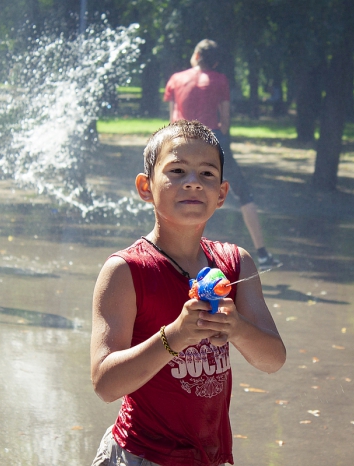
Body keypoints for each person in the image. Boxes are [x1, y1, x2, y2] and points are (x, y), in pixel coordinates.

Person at [90, 120, 286, 466]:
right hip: (141, 455)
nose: (193, 181)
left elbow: (273, 359)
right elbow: (105, 384)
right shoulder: (126, 271)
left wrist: (237, 327)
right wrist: (175, 336)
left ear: (221, 194)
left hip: (209, 458)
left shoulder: (236, 263)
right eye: (177, 170)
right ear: (146, 187)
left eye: (207, 174)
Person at [164, 39, 279, 268]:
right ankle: (263, 254)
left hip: (181, 141)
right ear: (215, 62)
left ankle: (171, 252)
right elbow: (225, 119)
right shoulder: (220, 80)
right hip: (213, 140)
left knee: (175, 192)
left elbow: (172, 119)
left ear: (197, 55)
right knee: (242, 193)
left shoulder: (176, 79)